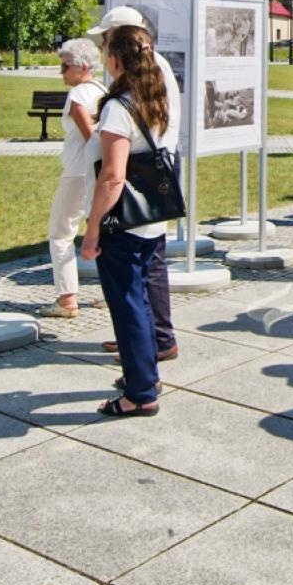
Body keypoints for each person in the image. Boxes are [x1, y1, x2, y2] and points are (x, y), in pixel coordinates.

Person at [80, 21, 181, 417]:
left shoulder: (119, 108)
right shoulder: (155, 99)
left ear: (115, 59)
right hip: (151, 218)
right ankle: (145, 374)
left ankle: (140, 392)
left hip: (122, 220)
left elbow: (113, 175)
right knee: (138, 300)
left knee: (128, 306)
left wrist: (91, 230)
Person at [38, 37, 105, 319]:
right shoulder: (104, 90)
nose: (61, 72)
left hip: (79, 170)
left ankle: (67, 297)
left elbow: (91, 137)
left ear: (80, 66)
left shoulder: (78, 95)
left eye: (65, 66)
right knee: (101, 229)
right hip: (96, 171)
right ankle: (108, 291)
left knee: (61, 232)